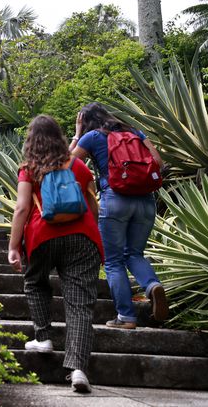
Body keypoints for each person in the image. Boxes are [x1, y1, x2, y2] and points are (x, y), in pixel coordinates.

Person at [8, 115, 103, 394]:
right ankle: (78, 369)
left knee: (36, 282)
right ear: (60, 137)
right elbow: (92, 205)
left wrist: (14, 246)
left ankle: (44, 337)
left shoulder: (29, 168)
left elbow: (22, 209)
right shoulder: (78, 166)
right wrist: (94, 234)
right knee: (79, 304)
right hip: (82, 238)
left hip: (43, 235)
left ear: (31, 141)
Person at [70, 102, 168, 329]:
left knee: (114, 261)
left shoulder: (92, 137)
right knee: (135, 254)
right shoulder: (135, 132)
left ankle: (126, 317)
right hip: (145, 201)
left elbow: (67, 165)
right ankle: (152, 285)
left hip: (114, 200)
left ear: (85, 122)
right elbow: (159, 164)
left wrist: (77, 135)